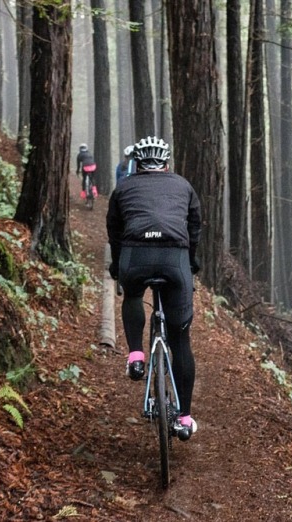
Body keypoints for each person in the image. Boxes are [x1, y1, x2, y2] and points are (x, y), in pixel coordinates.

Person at [106, 136, 202, 441]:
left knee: (133, 294)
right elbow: (194, 227)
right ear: (167, 163)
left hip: (135, 256)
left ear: (137, 164)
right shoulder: (184, 186)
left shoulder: (123, 187)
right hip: (175, 260)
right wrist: (192, 263)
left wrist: (117, 265)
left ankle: (136, 355)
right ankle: (184, 418)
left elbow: (115, 230)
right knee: (181, 339)